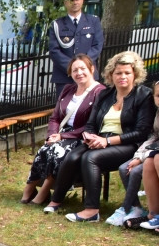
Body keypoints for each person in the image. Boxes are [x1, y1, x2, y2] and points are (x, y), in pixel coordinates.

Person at [44, 51, 156, 222]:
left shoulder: (144, 95)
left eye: (127, 72)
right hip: (100, 139)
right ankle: (56, 200)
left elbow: (141, 131)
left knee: (90, 158)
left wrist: (107, 141)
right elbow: (90, 123)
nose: (122, 76)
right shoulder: (105, 94)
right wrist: (90, 137)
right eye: (118, 73)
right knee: (73, 156)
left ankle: (91, 210)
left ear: (135, 74)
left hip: (128, 143)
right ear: (111, 75)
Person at [21, 55, 104, 205]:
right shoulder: (68, 89)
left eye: (82, 68)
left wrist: (63, 136)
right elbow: (55, 118)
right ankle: (29, 189)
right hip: (61, 134)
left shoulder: (100, 92)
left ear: (92, 69)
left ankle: (45, 191)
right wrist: (53, 134)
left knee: (57, 151)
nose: (79, 73)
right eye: (75, 70)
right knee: (44, 150)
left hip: (82, 136)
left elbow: (93, 124)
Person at [108, 81, 159, 226]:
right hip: (152, 152)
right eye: (158, 96)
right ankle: (148, 213)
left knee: (140, 169)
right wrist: (138, 157)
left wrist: (141, 157)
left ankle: (126, 207)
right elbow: (154, 137)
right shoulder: (157, 113)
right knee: (126, 168)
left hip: (155, 154)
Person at [48, 0, 104, 100]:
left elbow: (97, 46)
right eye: (71, 0)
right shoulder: (57, 25)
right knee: (64, 111)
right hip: (65, 77)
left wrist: (83, 66)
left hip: (88, 74)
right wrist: (72, 67)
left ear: (82, 0)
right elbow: (54, 51)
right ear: (65, 2)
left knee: (89, 109)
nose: (75, 2)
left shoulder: (93, 21)